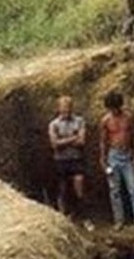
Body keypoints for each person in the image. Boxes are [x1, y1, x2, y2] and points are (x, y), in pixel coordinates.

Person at [99, 91, 134, 231]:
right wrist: (103, 159)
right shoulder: (106, 120)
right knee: (115, 190)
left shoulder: (128, 117)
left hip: (127, 155)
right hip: (113, 156)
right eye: (111, 108)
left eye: (116, 107)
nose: (114, 111)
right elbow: (103, 141)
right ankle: (119, 221)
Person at [48, 96, 94, 231]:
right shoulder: (54, 124)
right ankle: (64, 219)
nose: (66, 110)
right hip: (60, 161)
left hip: (76, 160)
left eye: (68, 107)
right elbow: (54, 145)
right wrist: (73, 138)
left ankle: (85, 218)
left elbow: (82, 142)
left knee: (79, 188)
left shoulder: (79, 121)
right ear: (58, 108)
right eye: (63, 107)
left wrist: (63, 141)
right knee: (62, 190)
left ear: (72, 107)